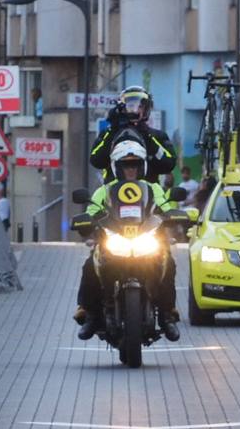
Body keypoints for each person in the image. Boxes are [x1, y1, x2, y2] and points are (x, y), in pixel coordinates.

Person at [74, 140, 182, 342]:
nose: (130, 170)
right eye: (125, 165)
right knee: (90, 265)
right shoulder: (104, 191)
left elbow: (166, 208)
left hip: (145, 240)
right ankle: (90, 313)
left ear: (143, 166)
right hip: (114, 241)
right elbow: (91, 211)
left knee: (168, 262)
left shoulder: (153, 189)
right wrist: (86, 221)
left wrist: (174, 216)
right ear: (117, 167)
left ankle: (167, 315)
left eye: (135, 165)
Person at [90, 86, 176, 183]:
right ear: (122, 108)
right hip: (114, 193)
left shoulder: (157, 135)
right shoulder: (109, 133)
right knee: (96, 198)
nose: (135, 110)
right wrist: (113, 130)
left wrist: (147, 136)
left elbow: (169, 164)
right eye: (130, 106)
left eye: (140, 106)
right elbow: (96, 161)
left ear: (146, 109)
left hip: (149, 193)